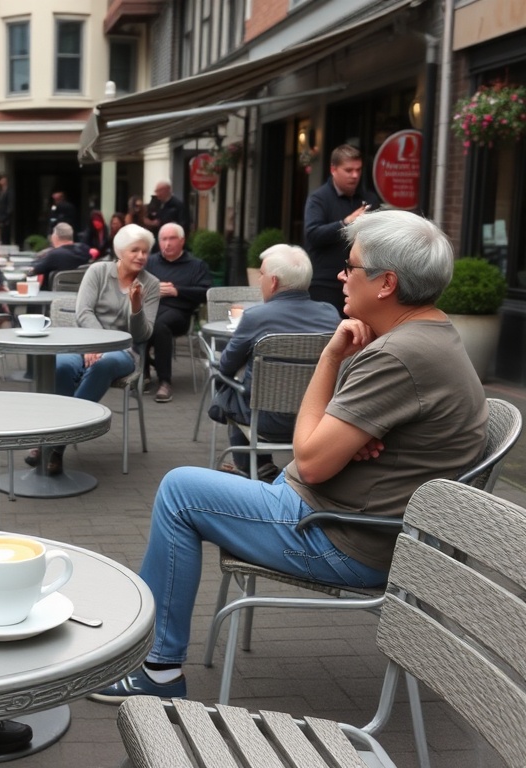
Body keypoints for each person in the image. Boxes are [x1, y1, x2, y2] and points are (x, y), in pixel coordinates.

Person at [93, 209, 488, 703]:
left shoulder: (398, 355)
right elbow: (338, 440)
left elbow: (312, 459)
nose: (341, 275)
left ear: (387, 283)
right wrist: (344, 434)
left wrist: (329, 359)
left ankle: (158, 670)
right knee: (199, 486)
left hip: (340, 536)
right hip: (360, 520)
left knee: (179, 492)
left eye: (352, 266)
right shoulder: (433, 336)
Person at [27, 223, 160, 475]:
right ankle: (57, 443)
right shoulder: (98, 271)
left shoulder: (151, 284)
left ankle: (54, 444)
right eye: (135, 250)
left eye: (145, 251)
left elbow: (143, 335)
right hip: (83, 343)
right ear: (120, 251)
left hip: (123, 352)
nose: (141, 256)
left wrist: (136, 307)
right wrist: (96, 344)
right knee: (61, 365)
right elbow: (83, 311)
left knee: (103, 364)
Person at [209, 244, 341, 480]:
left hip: (265, 421)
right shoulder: (330, 314)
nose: (259, 279)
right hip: (318, 420)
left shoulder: (256, 317)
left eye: (261, 274)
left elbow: (227, 365)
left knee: (231, 390)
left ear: (273, 282)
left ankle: (251, 465)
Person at [304, 144, 379, 314]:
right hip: (325, 285)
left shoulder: (369, 199)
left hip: (361, 284)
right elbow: (313, 234)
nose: (355, 175)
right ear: (333, 169)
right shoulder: (318, 199)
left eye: (358, 170)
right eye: (348, 170)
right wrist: (346, 223)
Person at [143, 223, 212, 403]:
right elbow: (133, 286)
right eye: (163, 239)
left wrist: (177, 291)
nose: (167, 243)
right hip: (152, 309)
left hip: (179, 313)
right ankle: (143, 372)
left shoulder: (196, 265)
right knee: (138, 322)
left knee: (159, 326)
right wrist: (153, 290)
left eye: (172, 238)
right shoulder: (150, 262)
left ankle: (165, 381)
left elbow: (206, 293)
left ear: (182, 241)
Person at [26, 222, 91, 290]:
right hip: (79, 292)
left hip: (52, 294)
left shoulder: (55, 255)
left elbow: (33, 271)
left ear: (55, 237)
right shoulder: (84, 250)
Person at [0, 174, 13, 244]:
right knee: (1, 236)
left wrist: (6, 216)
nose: (2, 182)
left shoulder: (9, 191)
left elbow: (10, 205)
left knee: (6, 235)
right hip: (0, 217)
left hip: (6, 218)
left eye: (3, 180)